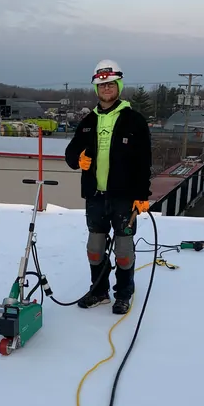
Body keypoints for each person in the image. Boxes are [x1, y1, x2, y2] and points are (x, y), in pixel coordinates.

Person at [65, 59, 152, 315]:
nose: (106, 88)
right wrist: (77, 160)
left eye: (111, 84)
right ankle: (99, 291)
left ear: (119, 86)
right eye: (102, 85)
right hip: (95, 197)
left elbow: (144, 161)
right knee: (95, 249)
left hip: (124, 197)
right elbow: (70, 152)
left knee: (123, 251)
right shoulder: (88, 121)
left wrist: (142, 195)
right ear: (96, 88)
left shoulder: (134, 120)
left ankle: (123, 294)